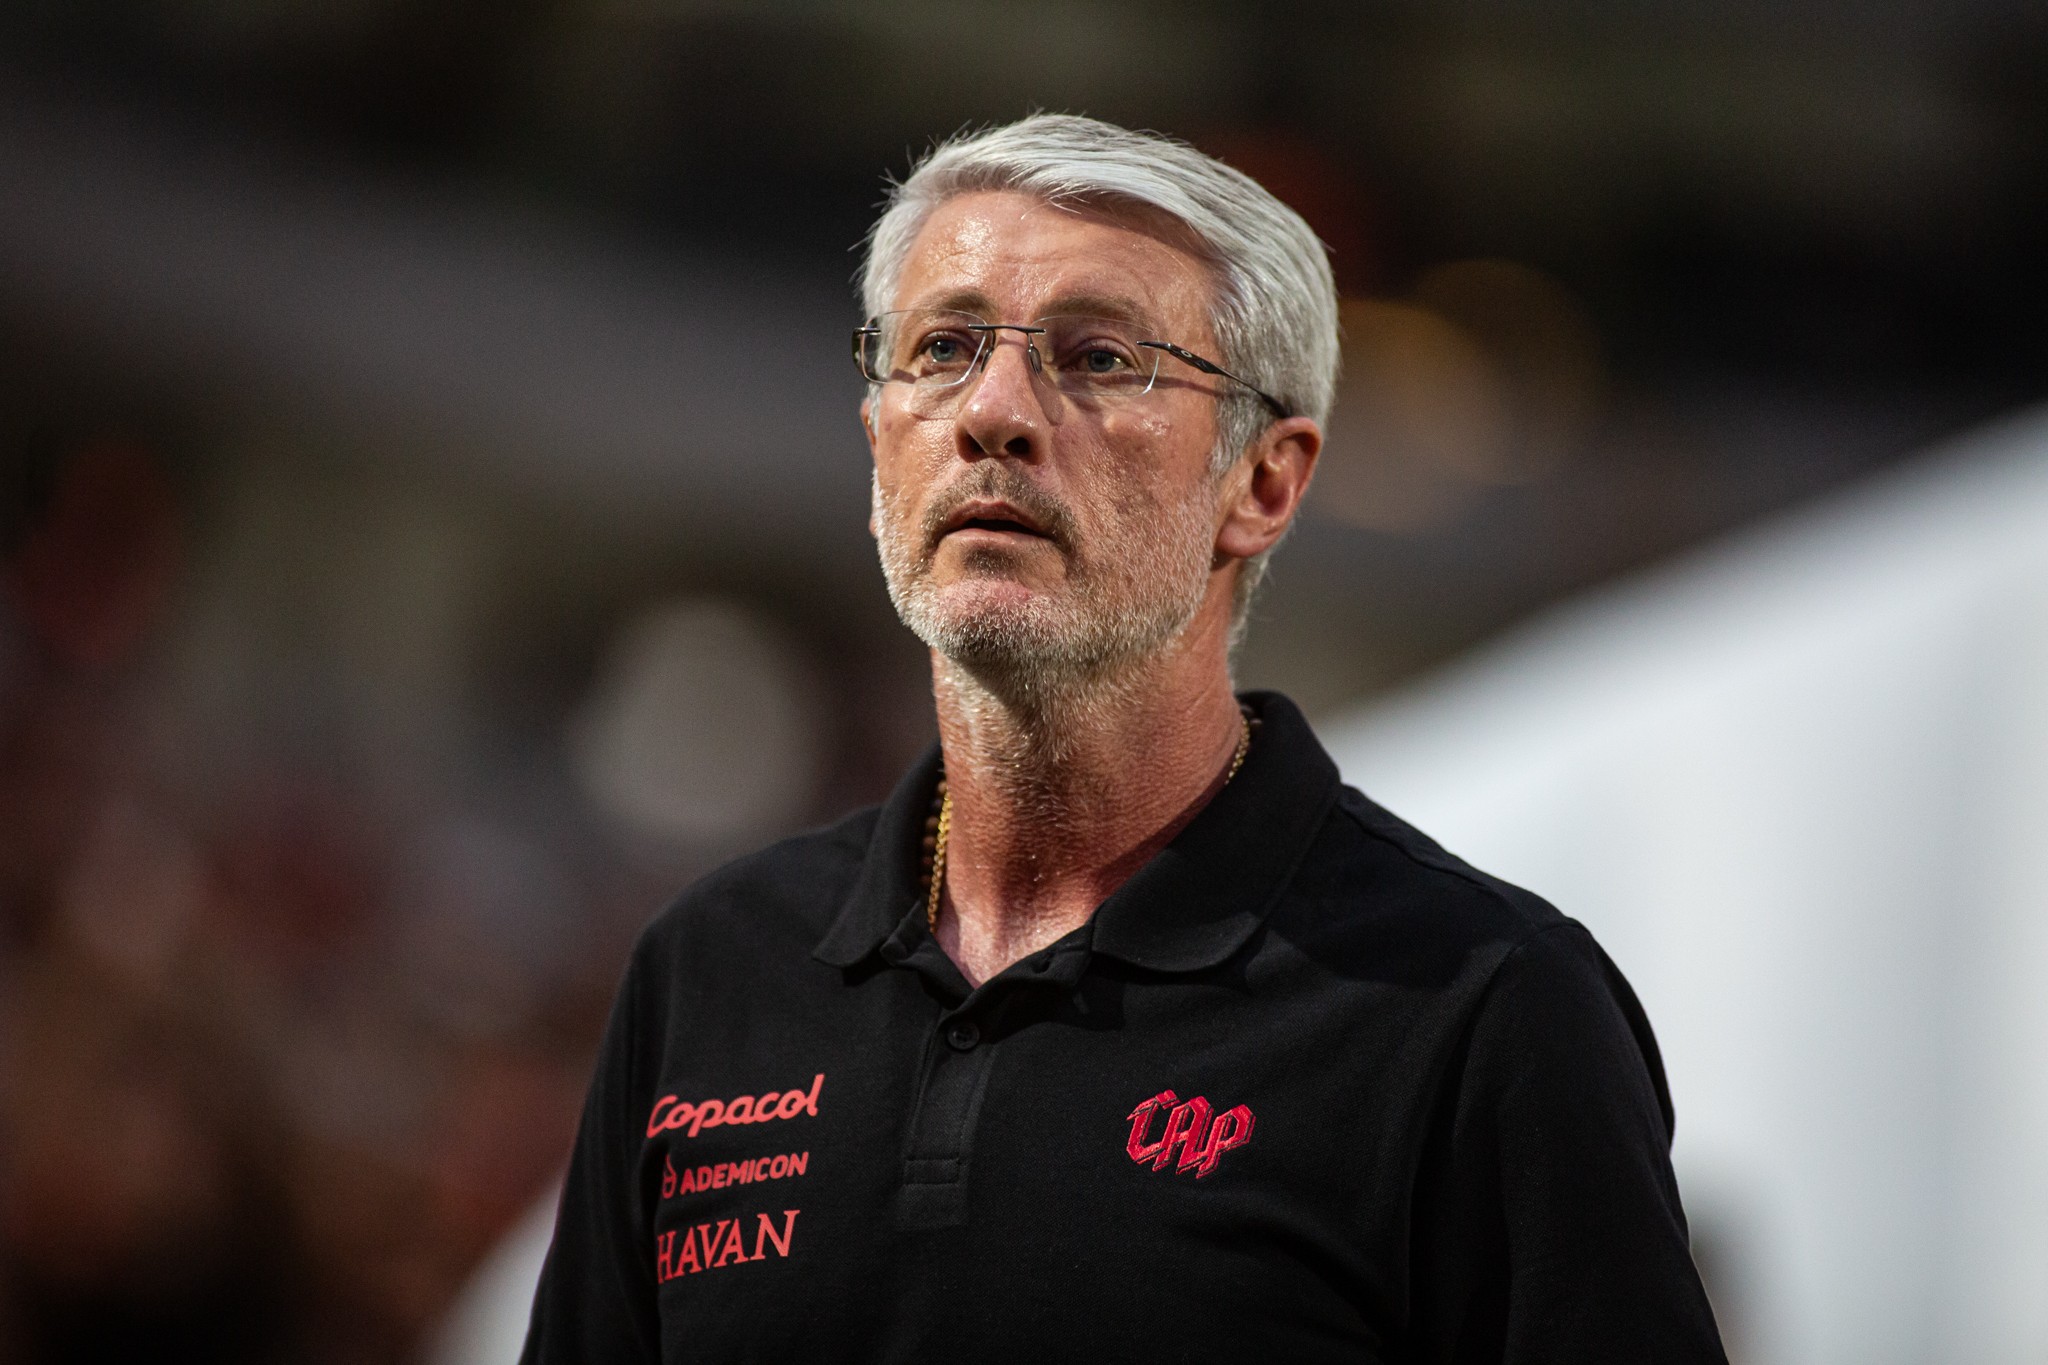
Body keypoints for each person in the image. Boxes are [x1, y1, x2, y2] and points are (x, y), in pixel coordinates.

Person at [520, 114, 1727, 1363]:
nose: (993, 412)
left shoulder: (1484, 1008)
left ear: (1261, 483)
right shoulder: (711, 969)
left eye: (1098, 358)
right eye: (942, 348)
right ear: (878, 440)